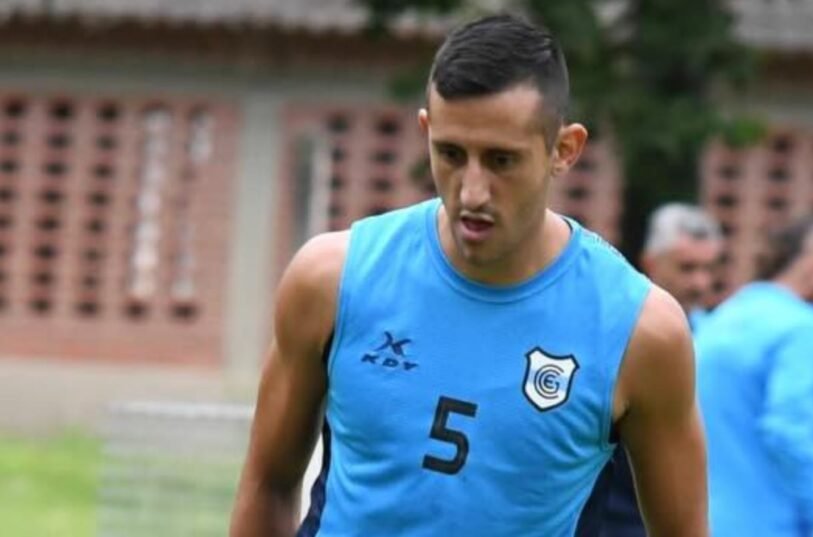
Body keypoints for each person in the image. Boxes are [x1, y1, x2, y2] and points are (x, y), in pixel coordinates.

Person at [230, 14, 706, 537]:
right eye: (451, 154)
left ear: (564, 150)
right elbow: (267, 485)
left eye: (501, 160)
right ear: (425, 132)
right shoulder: (331, 279)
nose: (473, 191)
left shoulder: (640, 331)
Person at [694, 214, 813, 537]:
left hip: (705, 520)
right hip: (770, 522)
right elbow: (789, 431)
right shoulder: (803, 327)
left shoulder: (723, 317)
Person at [602, 204, 723, 536]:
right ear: (651, 262)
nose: (700, 283)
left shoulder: (714, 337)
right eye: (687, 268)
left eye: (709, 268)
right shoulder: (615, 335)